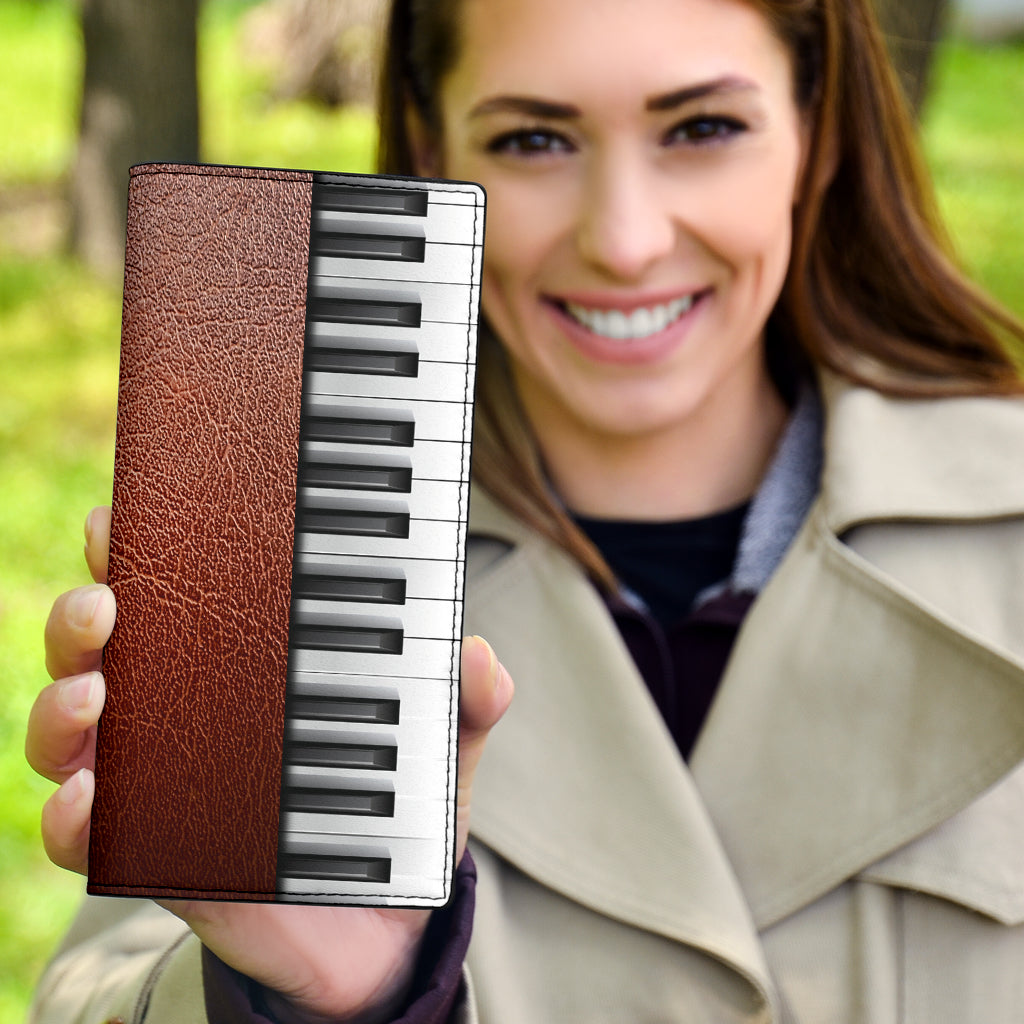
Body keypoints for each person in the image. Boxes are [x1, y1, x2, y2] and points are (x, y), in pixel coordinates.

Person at [27, 0, 1024, 1019]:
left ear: (816, 131)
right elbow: (92, 992)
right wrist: (305, 1002)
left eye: (701, 128)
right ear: (430, 146)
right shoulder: (271, 541)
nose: (624, 242)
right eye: (533, 139)